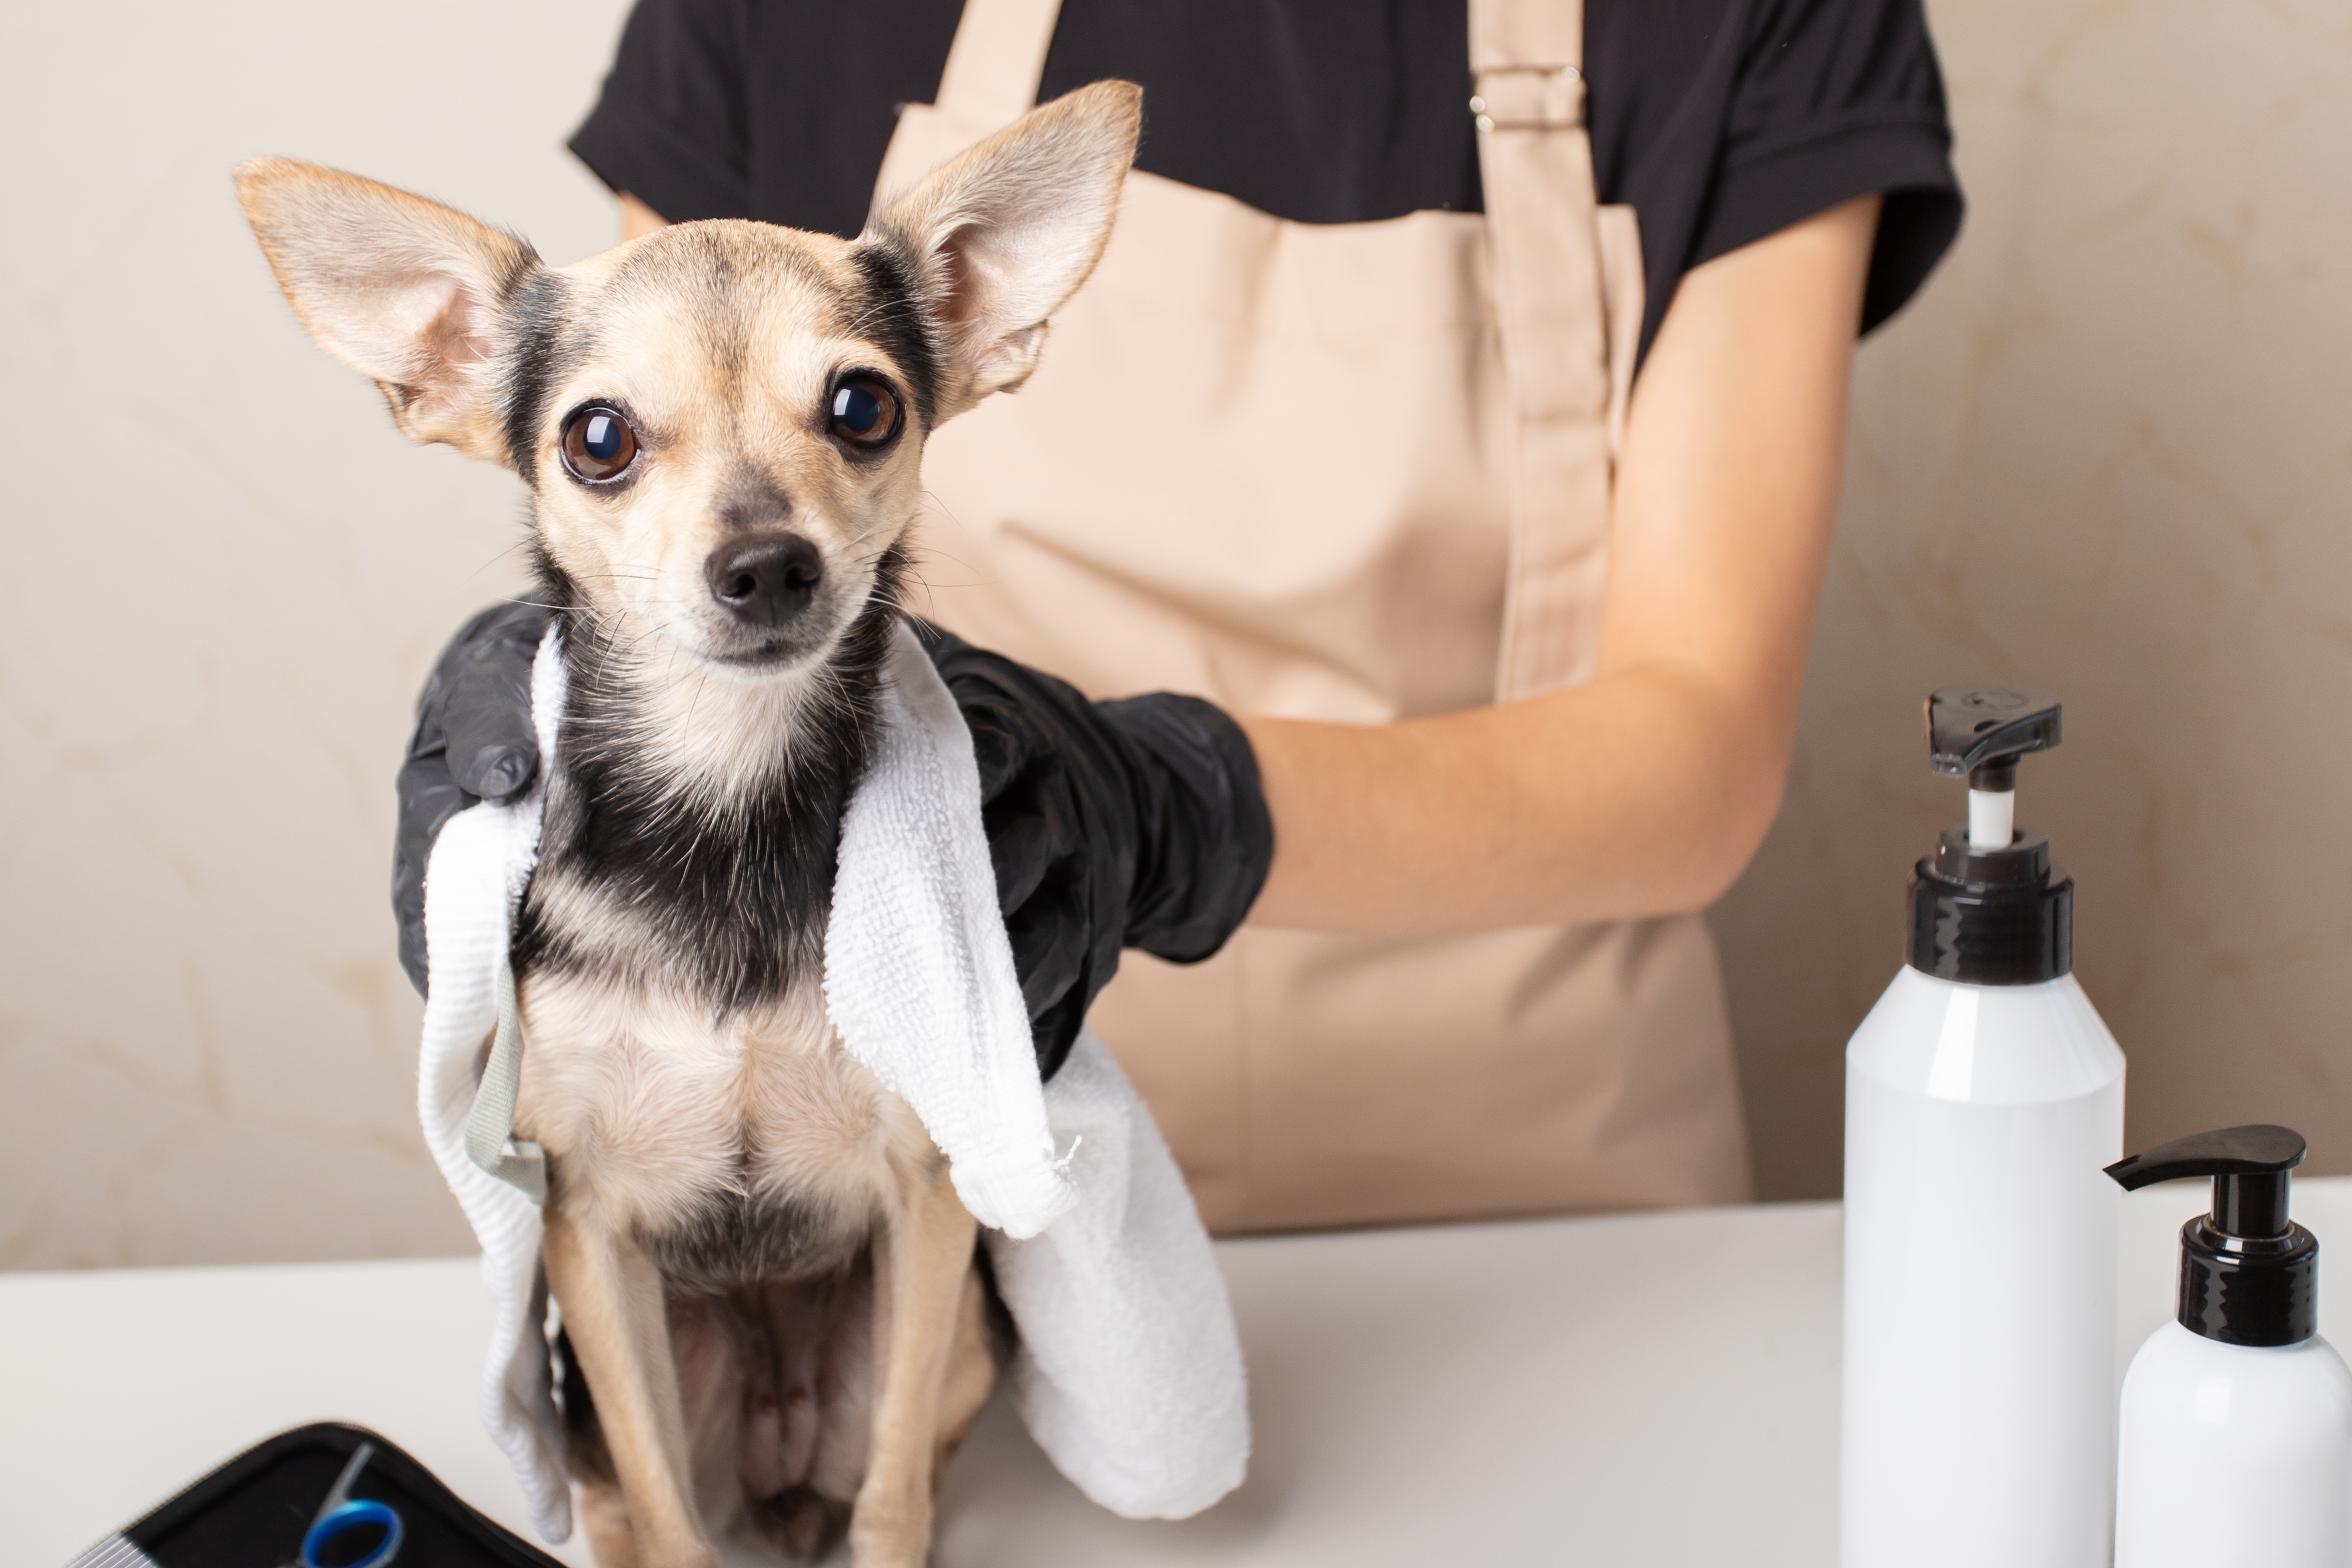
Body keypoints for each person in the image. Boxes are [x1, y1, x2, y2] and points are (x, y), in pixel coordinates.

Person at [400, 0, 1962, 1233]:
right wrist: (553, 708)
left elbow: (1696, 762)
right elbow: (659, 482)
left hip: (1533, 1203)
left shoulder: (1762, 16)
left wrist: (1156, 814)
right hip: (950, 1168)